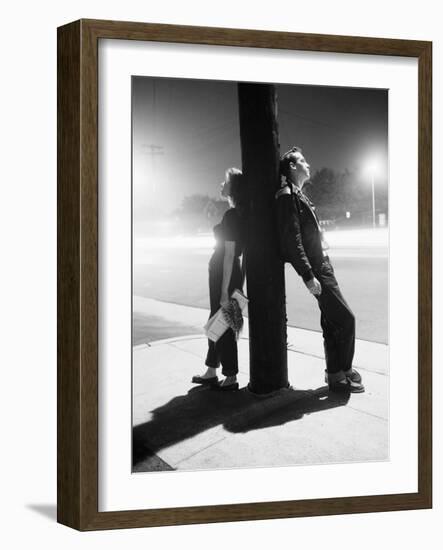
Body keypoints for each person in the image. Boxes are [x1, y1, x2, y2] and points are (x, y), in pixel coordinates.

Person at [276, 147, 364, 393]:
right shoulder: (287, 196)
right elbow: (291, 241)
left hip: (322, 263)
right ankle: (344, 369)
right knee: (346, 319)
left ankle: (335, 375)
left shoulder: (300, 195)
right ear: (292, 167)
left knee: (331, 323)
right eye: (303, 160)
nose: (308, 163)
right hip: (317, 268)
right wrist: (308, 275)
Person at [192, 168, 246, 391]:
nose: (220, 185)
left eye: (224, 182)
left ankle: (231, 375)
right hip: (226, 274)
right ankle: (211, 369)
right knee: (217, 322)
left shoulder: (233, 216)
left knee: (222, 323)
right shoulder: (237, 212)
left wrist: (225, 291)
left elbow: (230, 254)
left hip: (225, 275)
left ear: (234, 187)